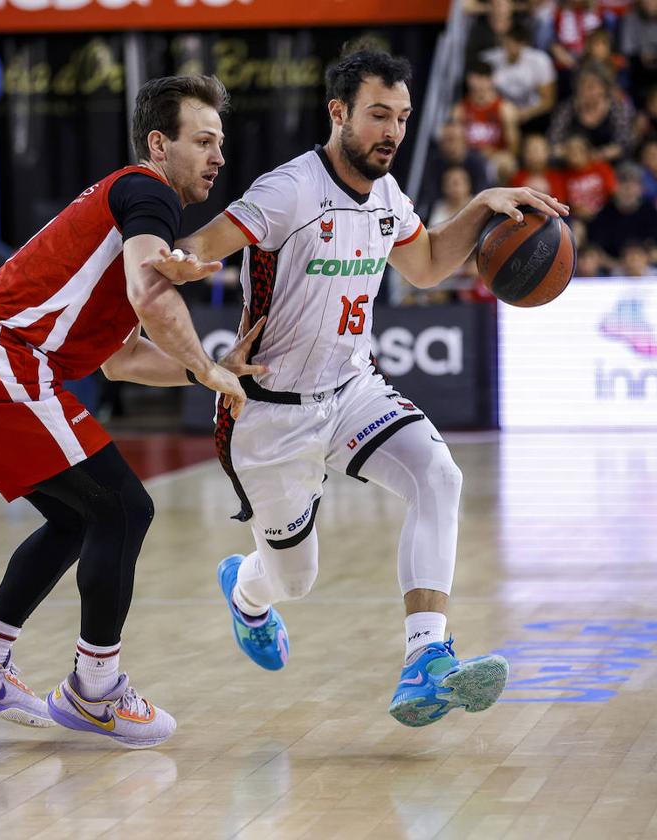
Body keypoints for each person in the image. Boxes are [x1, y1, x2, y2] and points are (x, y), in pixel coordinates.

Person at [168, 44, 568, 727]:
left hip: (350, 390)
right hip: (267, 413)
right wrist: (186, 303)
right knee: (295, 578)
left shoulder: (387, 196)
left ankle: (426, 659)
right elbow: (199, 248)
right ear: (339, 113)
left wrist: (480, 207)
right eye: (378, 115)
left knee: (439, 477)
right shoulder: (288, 189)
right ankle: (248, 592)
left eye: (402, 118)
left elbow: (429, 263)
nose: (392, 132)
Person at [0, 76, 260, 749]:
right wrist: (205, 364)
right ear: (159, 144)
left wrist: (215, 371)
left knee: (81, 518)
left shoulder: (131, 209)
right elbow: (148, 288)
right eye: (203, 140)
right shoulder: (148, 191)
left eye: (221, 142)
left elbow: (124, 360)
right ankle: (95, 690)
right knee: (123, 508)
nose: (217, 156)